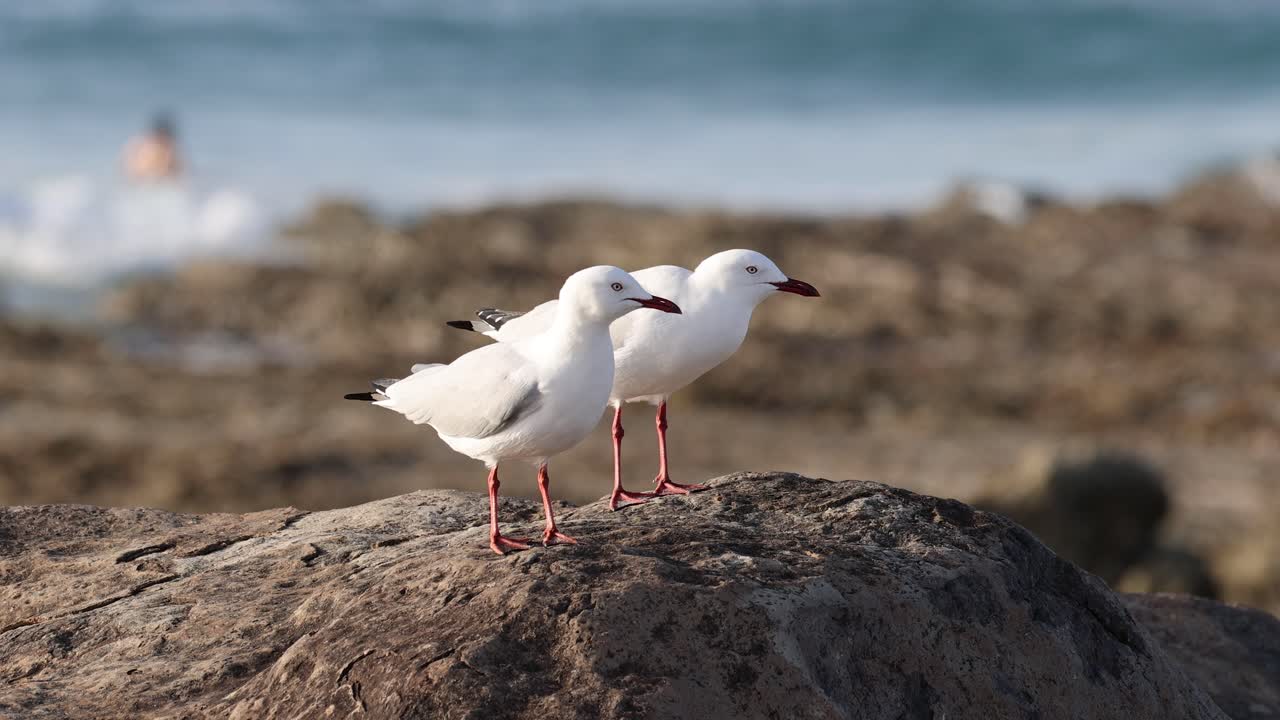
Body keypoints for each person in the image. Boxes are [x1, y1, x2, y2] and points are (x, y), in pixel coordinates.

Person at [123, 113, 182, 181]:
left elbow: (181, 169)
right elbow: (133, 169)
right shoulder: (146, 147)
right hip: (142, 179)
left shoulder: (172, 149)